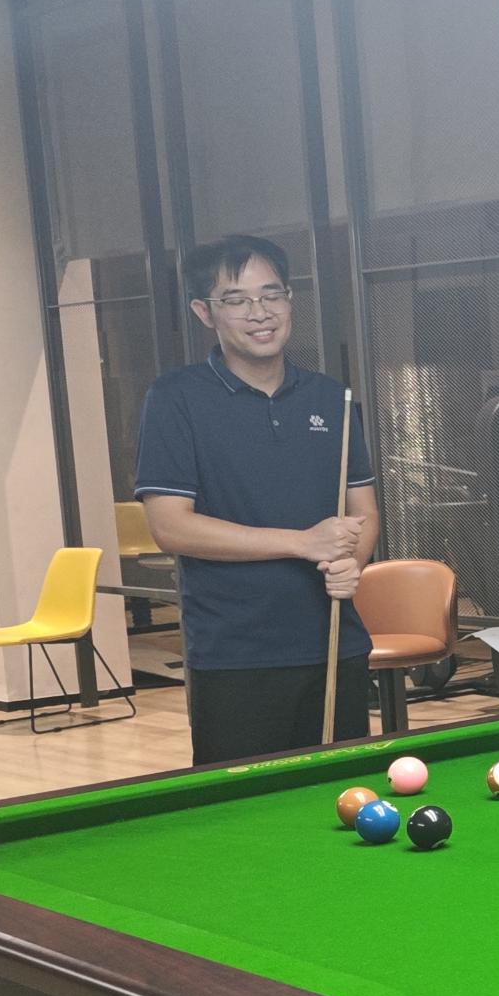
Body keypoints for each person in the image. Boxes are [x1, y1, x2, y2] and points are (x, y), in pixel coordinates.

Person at [136, 233, 375, 764]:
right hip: (235, 656)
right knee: (246, 806)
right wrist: (302, 543)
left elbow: (364, 512)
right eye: (236, 299)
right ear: (204, 312)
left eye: (271, 294)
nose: (259, 312)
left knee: (342, 797)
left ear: (289, 300)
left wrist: (351, 562)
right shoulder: (176, 398)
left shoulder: (330, 397)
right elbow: (171, 527)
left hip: (335, 645)